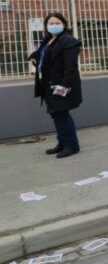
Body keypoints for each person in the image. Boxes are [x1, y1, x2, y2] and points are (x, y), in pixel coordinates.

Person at [28, 12, 83, 158]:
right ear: (46, 26)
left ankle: (72, 146)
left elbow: (71, 66)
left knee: (61, 114)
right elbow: (42, 53)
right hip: (48, 83)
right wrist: (34, 57)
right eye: (51, 23)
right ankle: (62, 143)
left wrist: (64, 85)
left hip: (61, 85)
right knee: (56, 114)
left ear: (64, 24)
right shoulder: (49, 39)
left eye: (57, 23)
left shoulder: (68, 41)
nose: (54, 26)